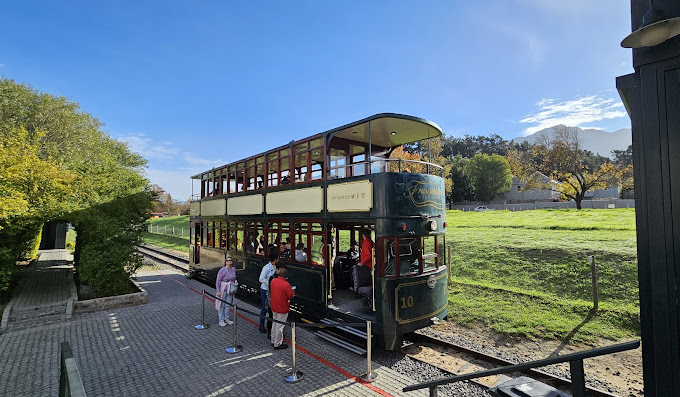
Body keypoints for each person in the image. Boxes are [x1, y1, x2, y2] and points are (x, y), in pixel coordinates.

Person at [269, 267, 295, 350]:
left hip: (274, 306)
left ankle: (273, 340)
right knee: (280, 326)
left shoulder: (273, 281)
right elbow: (291, 295)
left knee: (274, 323)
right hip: (282, 307)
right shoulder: (286, 284)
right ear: (285, 275)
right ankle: (278, 343)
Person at [258, 251, 278, 333]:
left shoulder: (275, 267)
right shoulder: (266, 268)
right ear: (275, 259)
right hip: (265, 290)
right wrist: (270, 283)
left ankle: (271, 325)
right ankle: (261, 325)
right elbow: (261, 279)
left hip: (272, 290)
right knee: (264, 308)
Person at [215, 257, 237, 326]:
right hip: (223, 289)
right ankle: (221, 320)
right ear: (226, 262)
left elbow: (234, 278)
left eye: (231, 260)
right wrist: (218, 290)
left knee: (227, 304)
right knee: (222, 304)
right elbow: (218, 280)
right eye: (228, 260)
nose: (229, 262)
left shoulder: (233, 269)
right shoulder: (222, 270)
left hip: (230, 289)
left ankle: (226, 318)